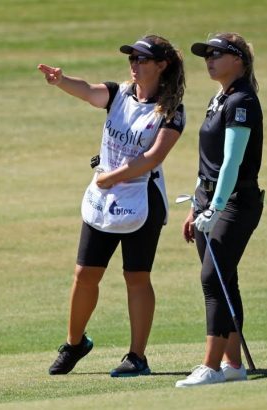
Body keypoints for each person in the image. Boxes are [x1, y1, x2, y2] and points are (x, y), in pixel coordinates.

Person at [37, 35, 186, 377]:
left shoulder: (171, 109)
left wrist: (113, 176)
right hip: (104, 199)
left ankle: (137, 356)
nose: (134, 64)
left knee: (136, 277)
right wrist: (61, 81)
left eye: (142, 59)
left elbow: (153, 157)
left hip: (142, 202)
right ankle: (75, 343)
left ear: (161, 66)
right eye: (131, 58)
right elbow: (90, 91)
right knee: (85, 274)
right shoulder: (119, 93)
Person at [175, 32, 264, 387]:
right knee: (226, 279)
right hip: (209, 201)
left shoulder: (242, 100)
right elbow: (207, 164)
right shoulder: (219, 98)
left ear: (239, 60)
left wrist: (215, 207)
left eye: (218, 53)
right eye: (206, 54)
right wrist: (196, 205)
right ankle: (233, 364)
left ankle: (210, 367)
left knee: (212, 279)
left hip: (236, 203)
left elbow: (231, 162)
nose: (209, 59)